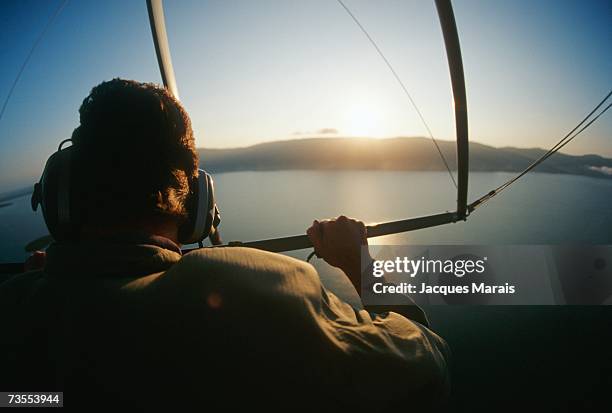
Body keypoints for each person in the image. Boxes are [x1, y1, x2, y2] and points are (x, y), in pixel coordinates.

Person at [0, 79, 449, 411]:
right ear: (201, 204)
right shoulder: (252, 289)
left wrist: (56, 286)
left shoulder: (17, 308)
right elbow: (426, 363)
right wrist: (361, 266)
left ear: (59, 197)